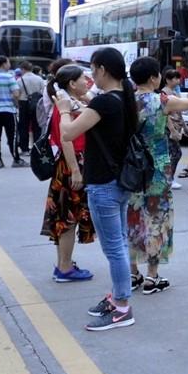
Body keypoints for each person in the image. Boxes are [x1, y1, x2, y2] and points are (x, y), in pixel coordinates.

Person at [56, 47, 138, 331]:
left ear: (102, 69)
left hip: (103, 184)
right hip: (120, 182)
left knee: (114, 248)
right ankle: (117, 297)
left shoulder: (104, 104)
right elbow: (96, 108)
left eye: (92, 70)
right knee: (120, 244)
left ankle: (122, 307)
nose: (91, 76)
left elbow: (68, 132)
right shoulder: (123, 98)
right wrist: (81, 102)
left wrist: (65, 110)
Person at [124, 57, 188, 293]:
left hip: (131, 166)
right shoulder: (161, 101)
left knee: (132, 218)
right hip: (157, 167)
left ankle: (133, 274)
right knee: (156, 218)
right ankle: (152, 277)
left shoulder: (126, 101)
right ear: (154, 78)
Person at [41, 64, 95, 283]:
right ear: (72, 84)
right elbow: (67, 140)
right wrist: (75, 170)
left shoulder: (69, 103)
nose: (87, 81)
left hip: (68, 165)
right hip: (72, 165)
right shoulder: (66, 108)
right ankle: (65, 268)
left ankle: (64, 263)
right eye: (83, 78)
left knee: (65, 216)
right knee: (68, 218)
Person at [161, 68, 186, 190]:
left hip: (177, 126)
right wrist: (172, 130)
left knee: (172, 153)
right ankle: (169, 179)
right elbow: (165, 115)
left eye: (178, 78)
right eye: (175, 78)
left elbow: (179, 111)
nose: (178, 80)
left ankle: (169, 178)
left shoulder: (175, 92)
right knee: (176, 153)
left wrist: (185, 127)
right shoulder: (164, 94)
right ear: (168, 80)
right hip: (169, 128)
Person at [17, 63, 47, 156]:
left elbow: (17, 93)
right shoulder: (39, 79)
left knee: (23, 127)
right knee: (37, 126)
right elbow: (43, 91)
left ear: (23, 69)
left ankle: (24, 149)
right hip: (37, 104)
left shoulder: (20, 80)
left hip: (24, 103)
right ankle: (37, 147)